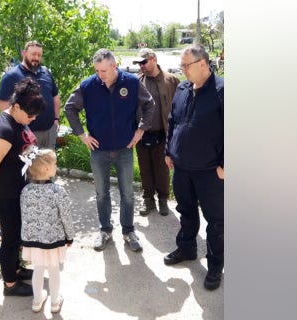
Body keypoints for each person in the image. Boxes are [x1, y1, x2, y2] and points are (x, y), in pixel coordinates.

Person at [64, 48, 156, 253]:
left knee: (128, 194)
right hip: (99, 151)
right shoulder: (88, 86)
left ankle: (128, 231)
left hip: (124, 149)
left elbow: (150, 105)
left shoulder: (131, 83)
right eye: (97, 70)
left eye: (103, 71)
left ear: (114, 66)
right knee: (101, 194)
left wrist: (140, 131)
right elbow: (70, 108)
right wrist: (82, 135)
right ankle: (105, 230)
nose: (100, 75)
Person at [163, 44, 224, 291]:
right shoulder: (183, 87)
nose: (182, 70)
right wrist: (169, 151)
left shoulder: (222, 91)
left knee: (216, 222)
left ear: (202, 64)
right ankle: (187, 248)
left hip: (210, 171)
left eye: (186, 65)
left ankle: (215, 267)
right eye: (181, 65)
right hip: (182, 168)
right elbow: (173, 120)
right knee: (185, 211)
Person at [0, 78, 46, 296]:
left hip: (17, 190)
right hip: (6, 194)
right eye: (30, 116)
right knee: (10, 240)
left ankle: (16, 269)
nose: (33, 119)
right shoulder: (3, 130)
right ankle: (10, 284)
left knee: (16, 235)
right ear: (16, 106)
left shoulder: (18, 120)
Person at [20, 148, 74, 313]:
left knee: (38, 269)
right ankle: (55, 302)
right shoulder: (58, 191)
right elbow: (66, 216)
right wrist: (69, 236)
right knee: (53, 270)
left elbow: (25, 216)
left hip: (33, 241)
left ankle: (37, 301)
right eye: (55, 164)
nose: (56, 166)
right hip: (53, 240)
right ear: (45, 169)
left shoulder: (25, 191)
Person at [131, 48, 180, 216]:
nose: (141, 66)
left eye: (143, 62)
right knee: (145, 169)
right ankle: (148, 200)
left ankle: (163, 200)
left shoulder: (171, 81)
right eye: (138, 63)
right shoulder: (136, 81)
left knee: (162, 169)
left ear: (154, 59)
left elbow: (179, 108)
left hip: (163, 134)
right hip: (141, 134)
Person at [0, 40, 61, 149]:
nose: (36, 58)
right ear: (24, 53)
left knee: (47, 164)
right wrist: (17, 128)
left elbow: (55, 97)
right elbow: (3, 105)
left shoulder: (46, 72)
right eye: (33, 54)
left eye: (39, 55)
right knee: (28, 165)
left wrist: (56, 120)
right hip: (25, 133)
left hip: (49, 130)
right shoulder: (11, 76)